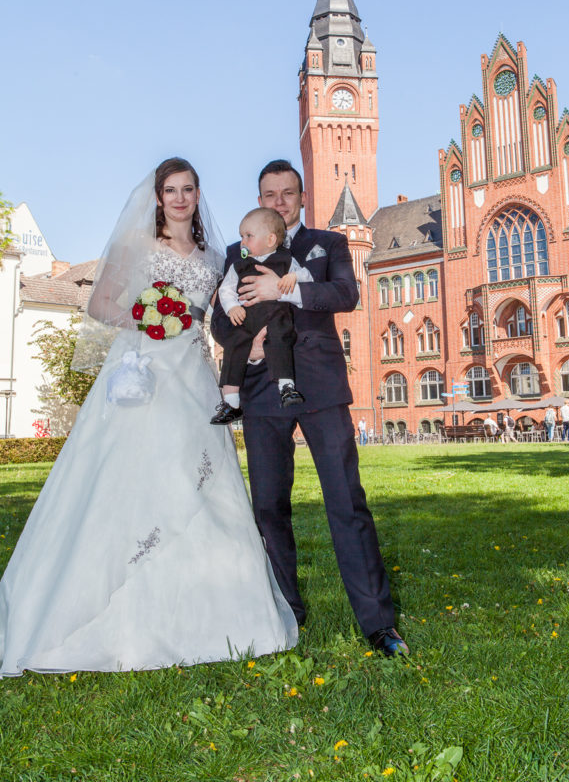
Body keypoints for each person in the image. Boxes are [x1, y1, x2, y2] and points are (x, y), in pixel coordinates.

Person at [0, 159, 297, 678]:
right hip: (140, 377)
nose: (179, 198)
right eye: (170, 190)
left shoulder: (214, 256)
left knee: (206, 483)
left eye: (187, 189)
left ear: (198, 195)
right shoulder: (138, 246)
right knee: (131, 480)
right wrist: (149, 314)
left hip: (194, 376)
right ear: (157, 198)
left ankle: (226, 614)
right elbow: (99, 304)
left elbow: (225, 315)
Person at [211, 159, 407, 657]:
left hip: (320, 388)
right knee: (268, 506)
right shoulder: (239, 249)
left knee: (346, 501)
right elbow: (218, 321)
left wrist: (288, 288)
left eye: (288, 193)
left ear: (302, 197)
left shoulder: (330, 243)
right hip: (260, 390)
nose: (279, 201)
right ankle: (284, 613)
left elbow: (347, 293)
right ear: (259, 198)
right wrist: (246, 343)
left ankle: (378, 623)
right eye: (269, 194)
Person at [210, 207, 311, 425]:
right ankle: (231, 402)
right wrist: (231, 308)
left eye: (248, 236)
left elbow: (307, 276)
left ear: (270, 239)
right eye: (241, 237)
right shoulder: (239, 265)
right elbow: (226, 290)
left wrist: (293, 277)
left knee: (281, 338)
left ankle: (287, 387)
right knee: (234, 344)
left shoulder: (286, 260)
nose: (242, 242)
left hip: (276, 316)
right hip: (246, 319)